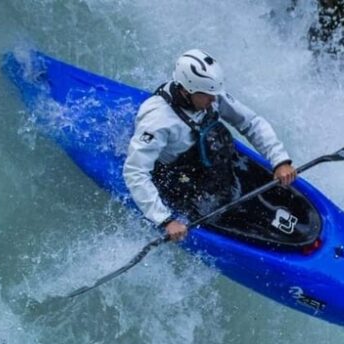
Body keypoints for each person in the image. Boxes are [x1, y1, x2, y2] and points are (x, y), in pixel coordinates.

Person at [123, 49, 296, 242]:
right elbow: (135, 172)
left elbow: (251, 122)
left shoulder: (209, 92)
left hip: (212, 158)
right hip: (181, 179)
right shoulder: (158, 121)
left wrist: (280, 160)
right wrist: (165, 220)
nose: (214, 100)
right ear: (185, 91)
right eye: (207, 95)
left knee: (217, 136)